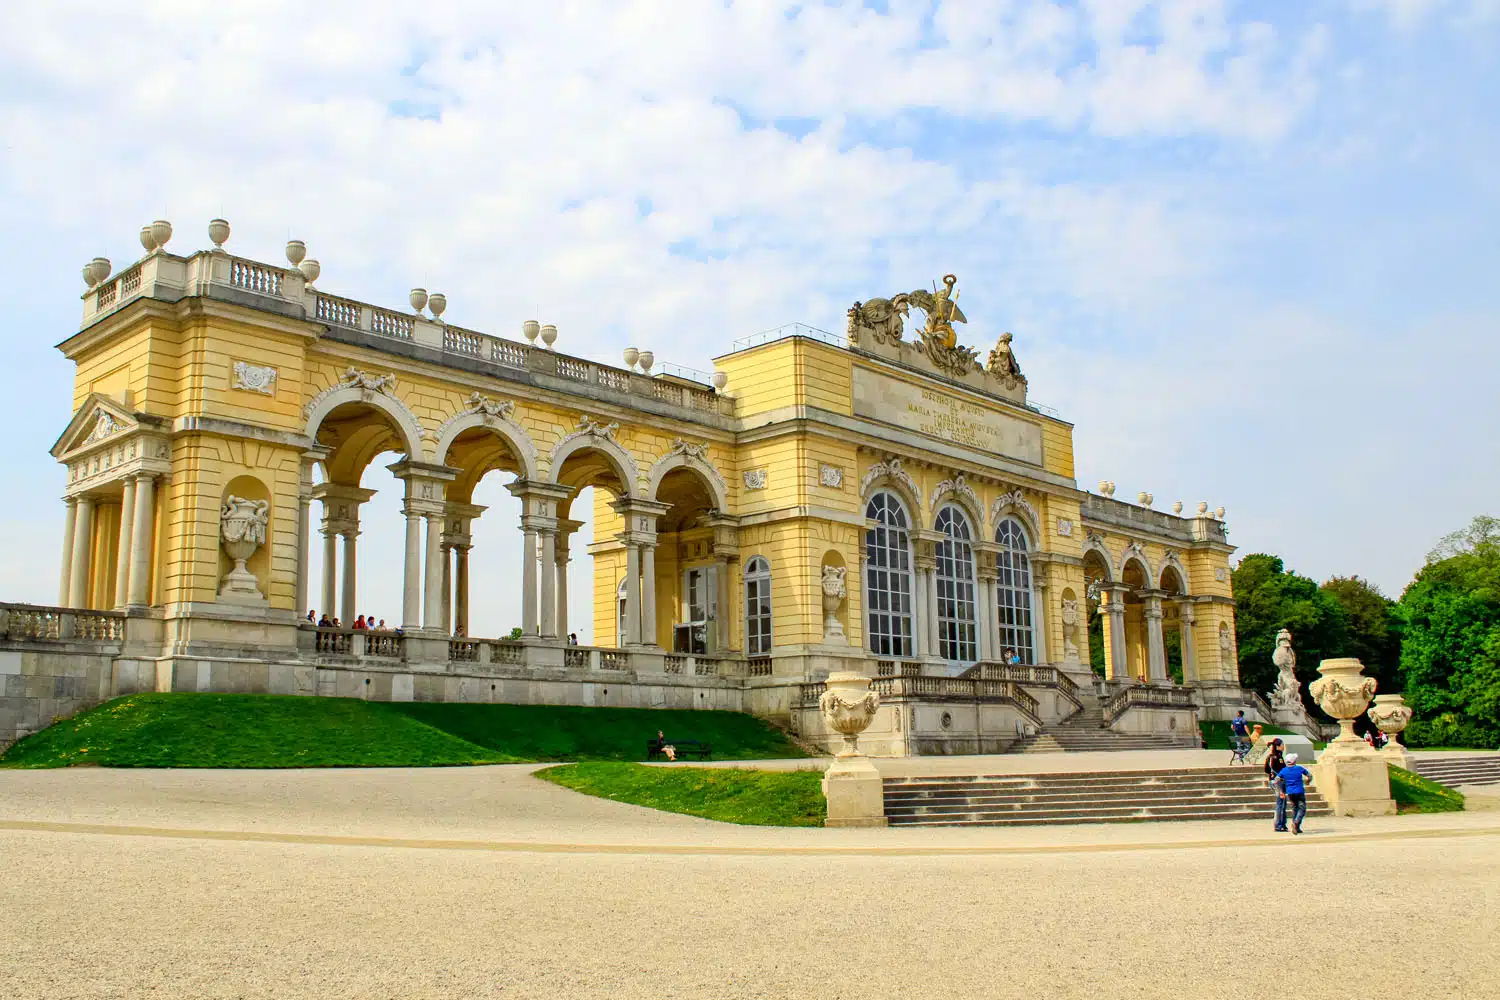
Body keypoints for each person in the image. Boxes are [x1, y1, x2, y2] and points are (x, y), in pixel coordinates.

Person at [1278, 753, 1313, 835]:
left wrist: (1280, 791)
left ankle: (1297, 827)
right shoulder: (1299, 768)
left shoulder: (1284, 770)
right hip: (1299, 791)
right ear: (1295, 761)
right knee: (1302, 809)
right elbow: (1310, 776)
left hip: (1290, 792)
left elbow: (1276, 780)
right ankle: (1296, 823)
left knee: (1294, 808)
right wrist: (1308, 781)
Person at [1263, 738, 1287, 831]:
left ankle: (1282, 824)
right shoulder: (1277, 757)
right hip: (1278, 782)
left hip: (1273, 781)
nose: (1283, 746)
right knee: (1280, 803)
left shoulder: (1271, 756)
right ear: (1278, 746)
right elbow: (1281, 770)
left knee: (1282, 802)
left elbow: (1266, 769)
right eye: (1282, 745)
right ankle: (1278, 825)